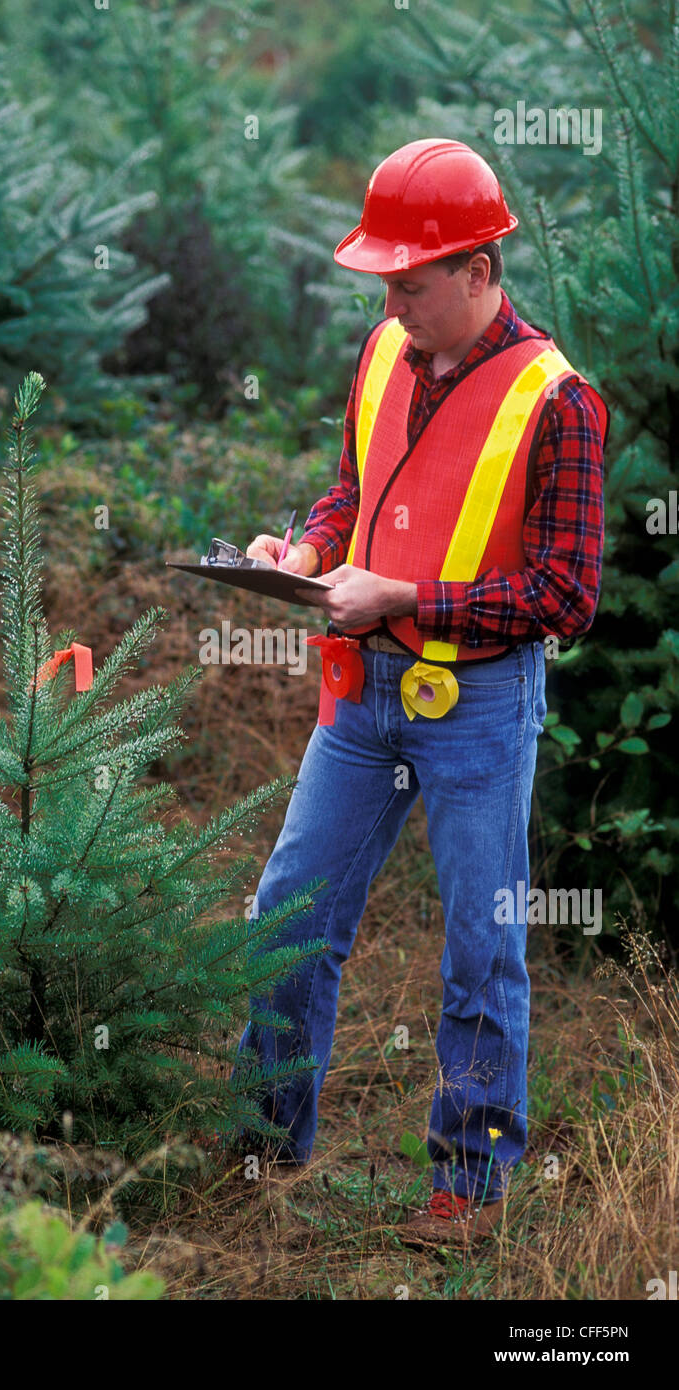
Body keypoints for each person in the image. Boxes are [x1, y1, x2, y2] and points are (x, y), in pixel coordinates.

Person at [231, 138, 609, 1247]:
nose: (392, 302)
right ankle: (264, 1146)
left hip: (482, 706)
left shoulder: (559, 403)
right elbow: (352, 488)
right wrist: (303, 549)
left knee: (482, 947)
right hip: (363, 700)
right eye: (384, 283)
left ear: (481, 270)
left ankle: (469, 1189)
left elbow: (566, 596)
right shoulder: (383, 354)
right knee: (287, 918)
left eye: (411, 281)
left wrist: (409, 596)